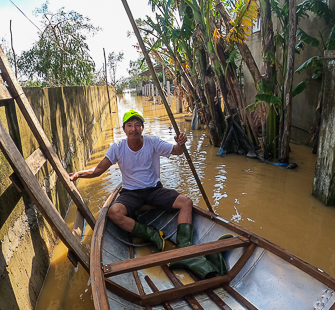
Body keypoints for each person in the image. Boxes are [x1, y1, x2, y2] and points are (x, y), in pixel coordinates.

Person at [69, 109, 223, 279]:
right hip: (131, 193)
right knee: (113, 212)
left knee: (186, 202)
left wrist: (181, 143)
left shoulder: (152, 142)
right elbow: (98, 170)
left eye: (137, 125)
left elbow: (177, 151)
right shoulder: (117, 148)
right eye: (129, 125)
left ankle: (184, 248)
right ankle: (152, 234)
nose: (133, 128)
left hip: (154, 190)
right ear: (124, 129)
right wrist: (78, 174)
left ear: (142, 128)